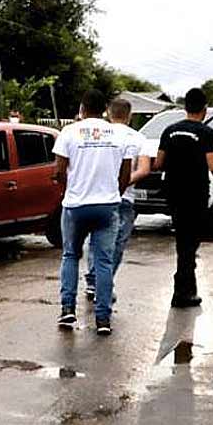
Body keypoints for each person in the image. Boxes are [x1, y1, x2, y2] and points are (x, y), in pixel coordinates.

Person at [52, 90, 132, 336]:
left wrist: (70, 191)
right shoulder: (119, 135)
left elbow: (59, 171)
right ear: (105, 110)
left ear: (82, 108)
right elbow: (125, 175)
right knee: (104, 262)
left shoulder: (69, 132)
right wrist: (113, 194)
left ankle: (67, 309)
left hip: (75, 206)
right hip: (107, 207)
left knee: (70, 255)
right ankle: (103, 318)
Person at [152, 88, 213, 308]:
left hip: (173, 192)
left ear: (185, 108)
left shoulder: (169, 130)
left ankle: (185, 288)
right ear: (204, 108)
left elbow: (158, 163)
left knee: (184, 240)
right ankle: (183, 291)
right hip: (195, 193)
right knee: (189, 242)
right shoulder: (207, 133)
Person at [84, 97, 156, 299]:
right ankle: (103, 282)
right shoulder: (139, 139)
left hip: (97, 196)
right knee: (116, 243)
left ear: (108, 113)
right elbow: (143, 170)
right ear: (130, 116)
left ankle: (93, 280)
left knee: (96, 239)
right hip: (124, 198)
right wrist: (121, 184)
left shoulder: (97, 135)